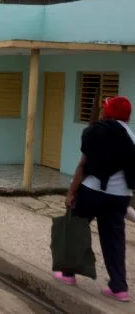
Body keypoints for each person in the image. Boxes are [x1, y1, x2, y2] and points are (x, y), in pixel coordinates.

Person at [55, 96, 135, 302]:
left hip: (91, 192)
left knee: (75, 228)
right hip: (119, 196)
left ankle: (68, 274)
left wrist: (71, 192)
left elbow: (83, 165)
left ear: (107, 112)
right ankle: (119, 288)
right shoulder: (131, 135)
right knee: (114, 241)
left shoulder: (94, 131)